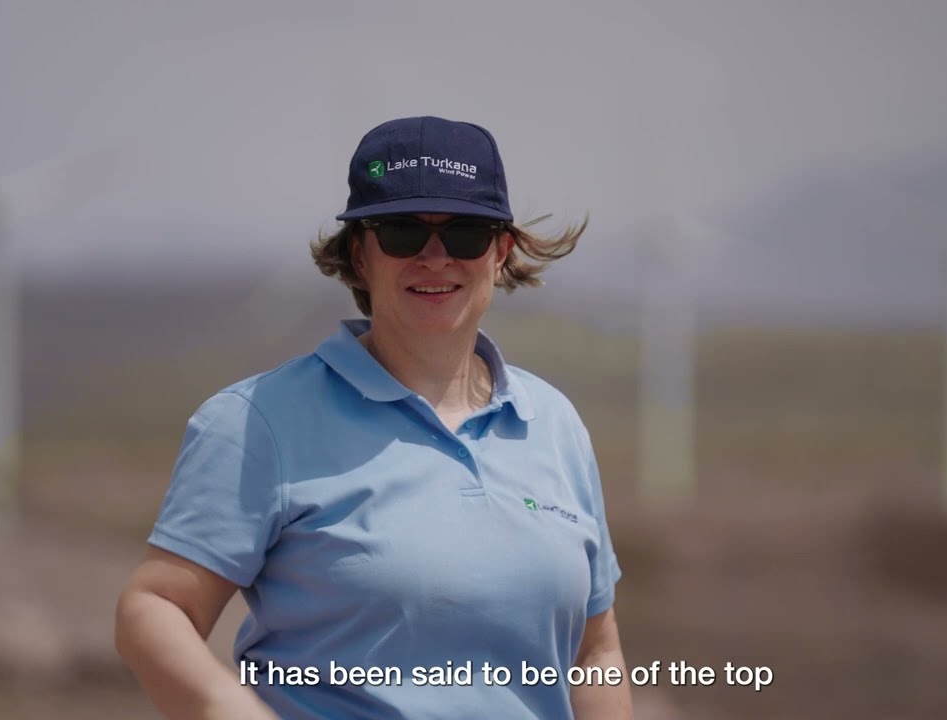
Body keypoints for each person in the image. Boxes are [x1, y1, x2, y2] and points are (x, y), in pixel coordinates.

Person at [115, 116, 630, 719]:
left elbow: (595, 652)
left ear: (501, 252)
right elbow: (154, 608)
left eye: (464, 232)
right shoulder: (257, 421)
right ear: (359, 255)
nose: (435, 257)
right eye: (403, 232)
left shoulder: (554, 424)